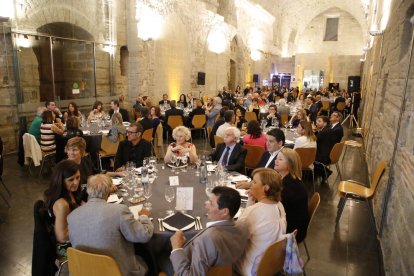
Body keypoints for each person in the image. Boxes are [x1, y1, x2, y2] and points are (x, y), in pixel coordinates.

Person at [68, 174, 153, 276]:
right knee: (149, 256)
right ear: (108, 192)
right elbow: (144, 235)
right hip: (118, 271)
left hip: (84, 271)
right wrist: (144, 216)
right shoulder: (120, 211)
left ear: (88, 191)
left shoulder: (72, 216)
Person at [169, 186, 248, 276]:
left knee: (158, 256)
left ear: (224, 212)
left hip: (185, 268)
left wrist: (176, 248)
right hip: (227, 272)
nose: (206, 205)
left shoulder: (207, 239)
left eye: (211, 204)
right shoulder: (243, 226)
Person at [235, 168, 287, 275]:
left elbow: (236, 240)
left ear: (265, 188)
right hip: (272, 264)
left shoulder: (253, 212)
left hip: (252, 268)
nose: (250, 185)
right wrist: (251, 201)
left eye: (254, 182)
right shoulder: (280, 205)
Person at [44, 160, 82, 257]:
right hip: (66, 247)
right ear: (60, 181)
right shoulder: (62, 204)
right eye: (71, 180)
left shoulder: (70, 192)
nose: (76, 182)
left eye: (78, 177)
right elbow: (62, 238)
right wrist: (84, 225)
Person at [274, 148, 309, 243]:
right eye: (277, 158)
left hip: (291, 232)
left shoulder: (290, 185)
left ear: (290, 164)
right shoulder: (288, 179)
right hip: (291, 223)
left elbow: (275, 209)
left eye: (280, 159)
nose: (275, 161)